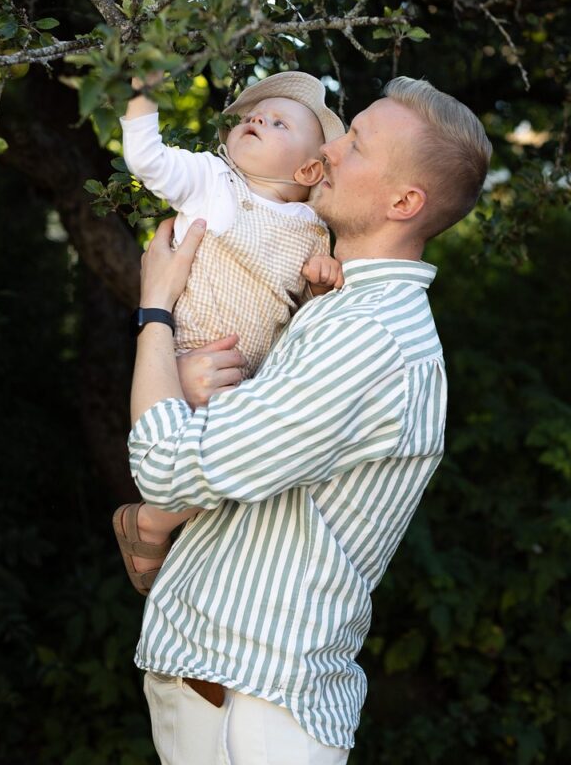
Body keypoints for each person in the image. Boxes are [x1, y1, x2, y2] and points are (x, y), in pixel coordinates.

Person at [127, 76, 492, 765]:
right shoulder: (332, 307)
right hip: (217, 687)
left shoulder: (369, 339)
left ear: (403, 201)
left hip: (259, 712)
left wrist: (157, 307)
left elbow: (170, 467)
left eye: (355, 144)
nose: (329, 148)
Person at [114, 71, 345, 595]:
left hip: (251, 378)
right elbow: (149, 159)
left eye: (278, 122)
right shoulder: (212, 181)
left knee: (243, 469)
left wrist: (318, 286)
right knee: (215, 468)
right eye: (251, 116)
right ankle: (152, 522)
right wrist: (142, 94)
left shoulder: (313, 229)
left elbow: (301, 319)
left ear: (309, 168)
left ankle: (158, 527)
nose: (256, 118)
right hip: (189, 355)